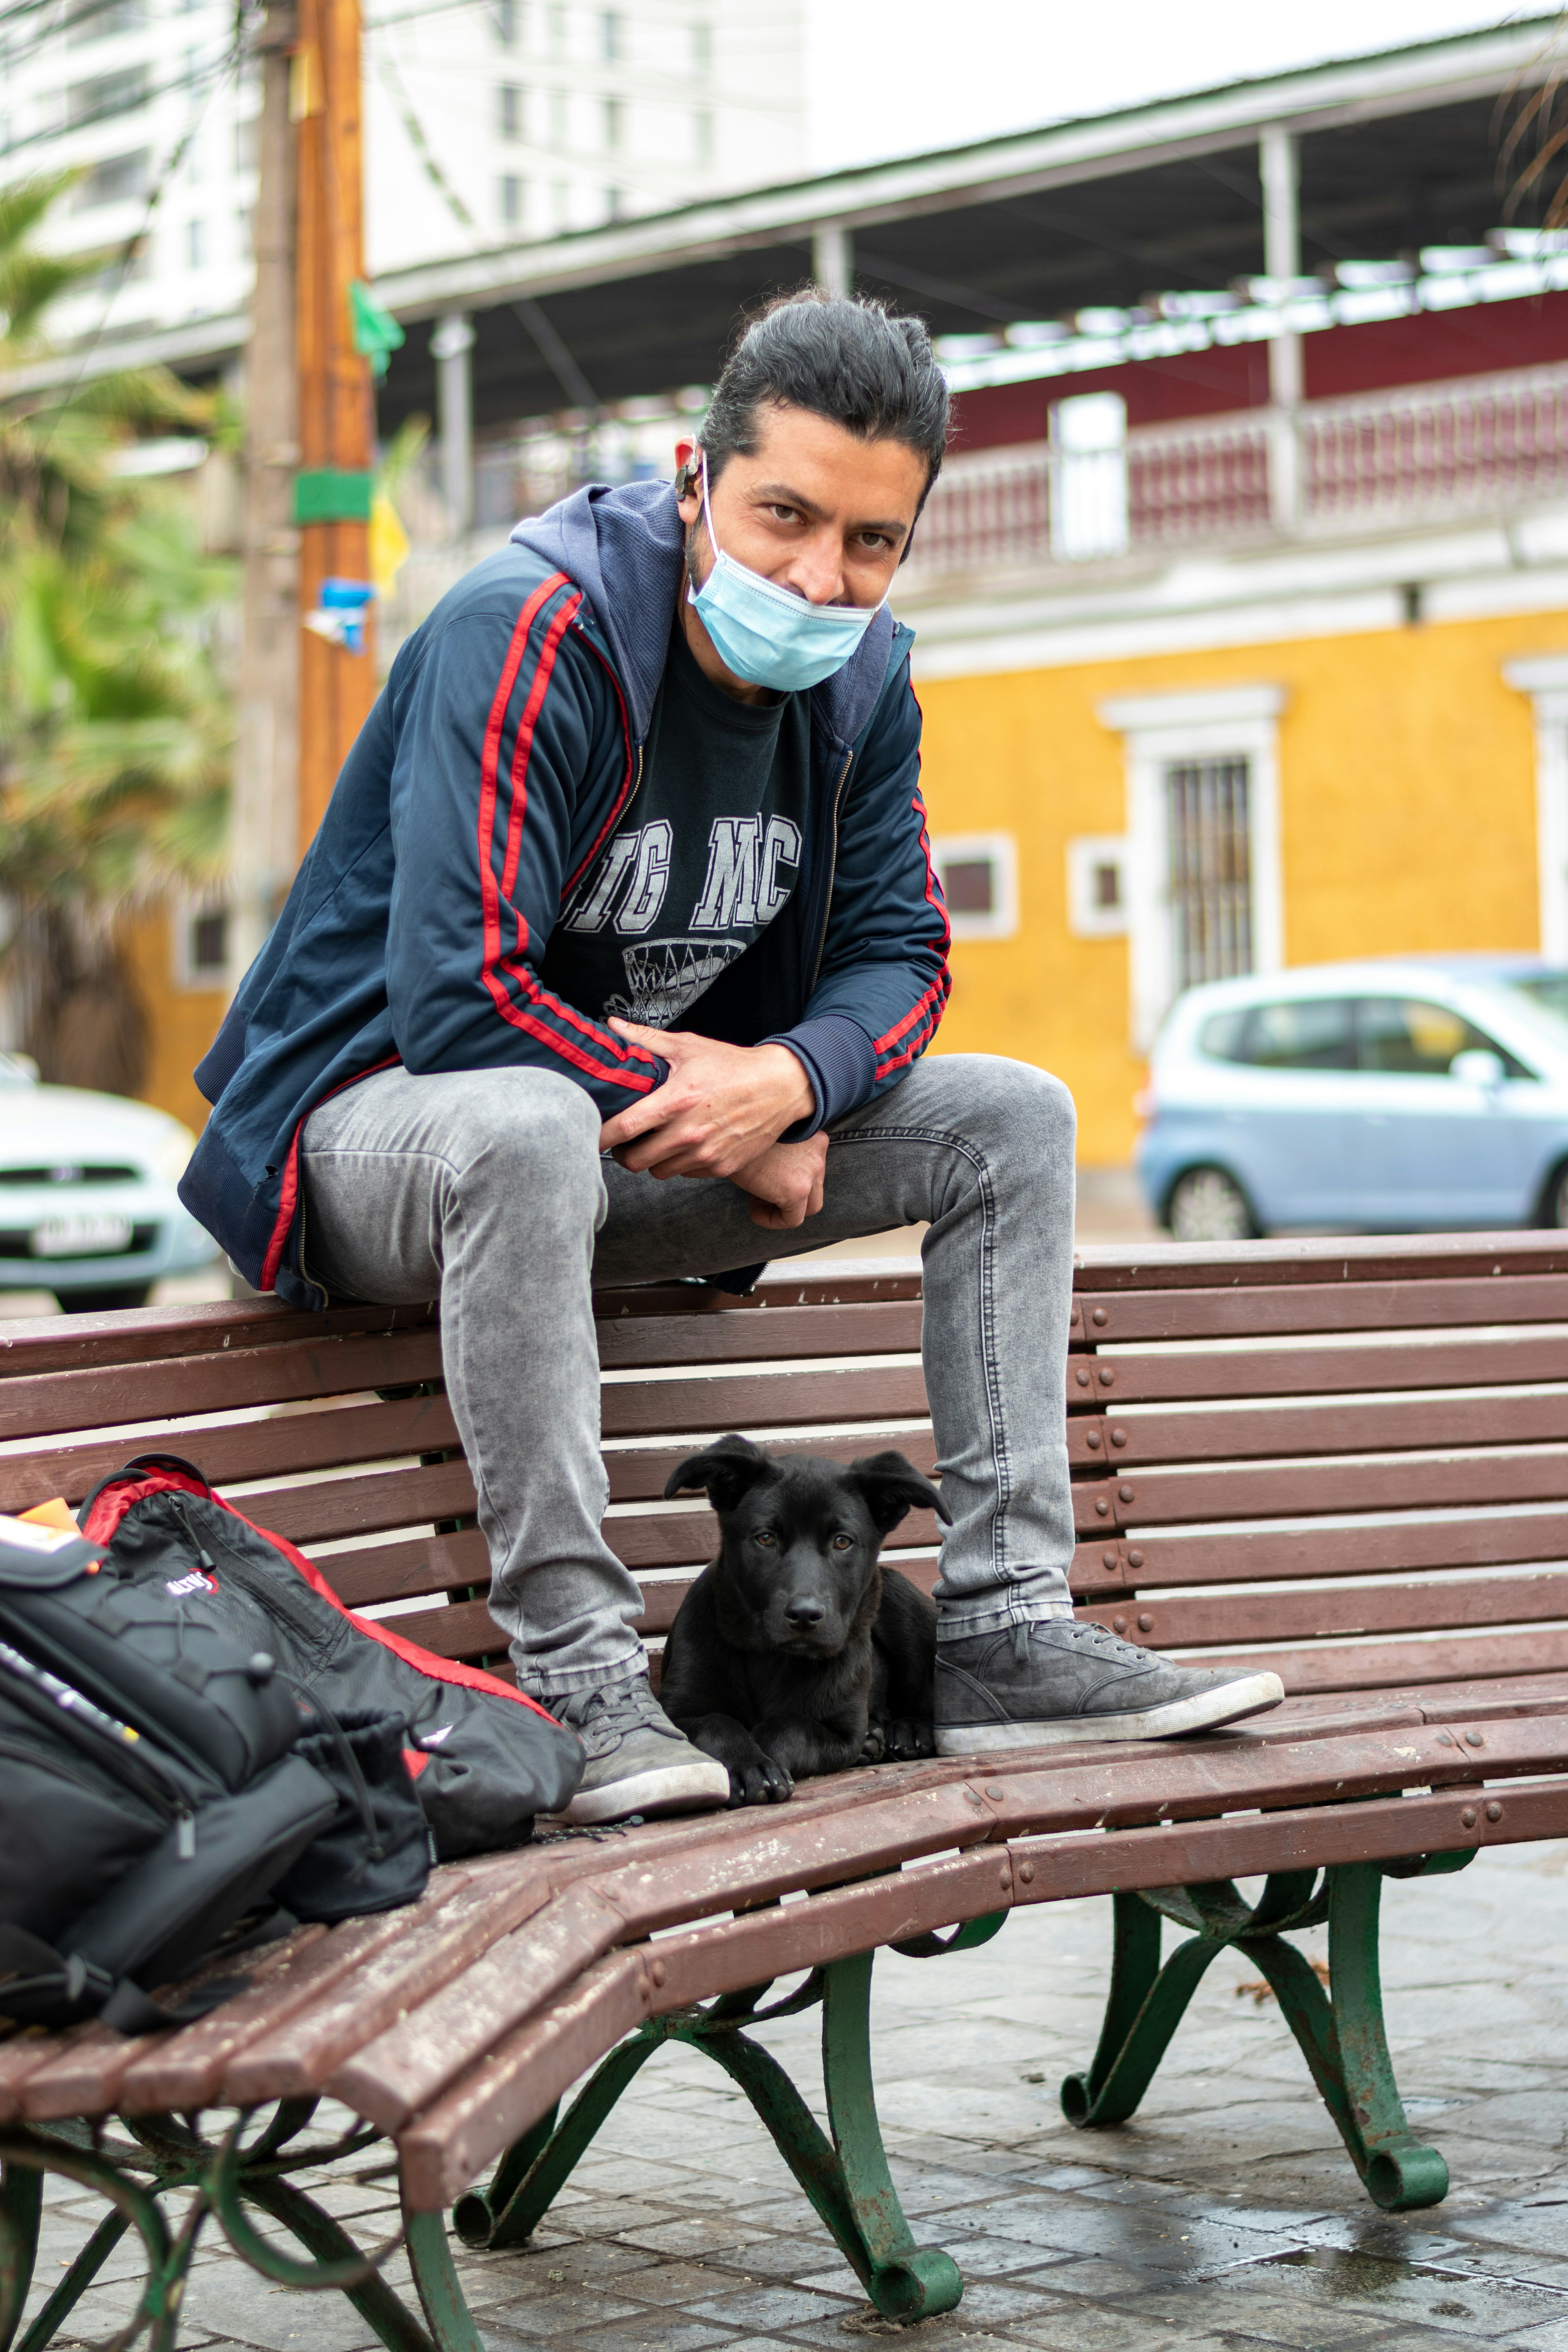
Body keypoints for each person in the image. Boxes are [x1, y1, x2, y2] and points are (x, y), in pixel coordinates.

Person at [182, 292, 1282, 1825]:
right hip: (371, 1143)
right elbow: (457, 1001)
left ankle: (1010, 1628)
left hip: (637, 1150)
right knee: (515, 1123)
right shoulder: (536, 629)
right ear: (694, 480)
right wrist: (719, 1103)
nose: (817, 576)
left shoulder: (865, 676)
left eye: (868, 541)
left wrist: (788, 1086)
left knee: (1014, 1121)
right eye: (782, 517)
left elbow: (903, 958)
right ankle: (577, 1672)